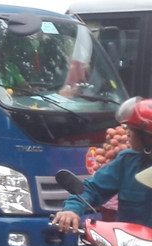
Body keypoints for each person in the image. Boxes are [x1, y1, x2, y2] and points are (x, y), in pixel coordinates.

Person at [53, 97, 152, 234]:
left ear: (148, 136)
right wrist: (71, 210)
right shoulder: (127, 161)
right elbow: (93, 188)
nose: (127, 133)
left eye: (132, 129)